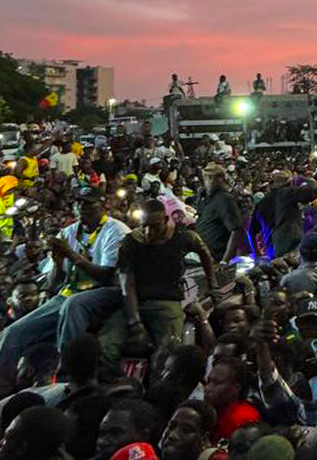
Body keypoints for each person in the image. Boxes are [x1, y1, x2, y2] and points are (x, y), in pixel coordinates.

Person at [0, 189, 129, 394]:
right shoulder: (68, 232)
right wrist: (59, 262)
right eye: (78, 203)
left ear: (103, 206)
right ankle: (5, 388)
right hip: (67, 293)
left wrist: (70, 254)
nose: (81, 208)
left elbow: (105, 275)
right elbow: (54, 283)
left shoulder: (116, 230)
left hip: (106, 291)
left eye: (88, 204)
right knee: (12, 333)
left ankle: (65, 380)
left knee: (74, 305)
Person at [98, 200, 218, 373]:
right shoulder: (131, 242)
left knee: (167, 354)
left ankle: (159, 392)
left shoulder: (183, 237)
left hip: (167, 303)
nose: (148, 232)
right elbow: (127, 285)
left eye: (154, 226)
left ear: (166, 219)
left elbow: (204, 253)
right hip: (135, 302)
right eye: (144, 226)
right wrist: (135, 323)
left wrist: (212, 284)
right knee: (105, 347)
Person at [195, 163, 244, 263]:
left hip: (218, 256)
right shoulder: (203, 197)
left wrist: (225, 261)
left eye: (214, 178)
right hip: (203, 256)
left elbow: (236, 231)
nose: (211, 181)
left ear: (222, 179)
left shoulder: (225, 199)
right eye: (208, 177)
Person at [204, 359, 261, 442]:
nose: (207, 388)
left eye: (217, 383)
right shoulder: (212, 411)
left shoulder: (241, 418)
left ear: (236, 388)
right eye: (209, 381)